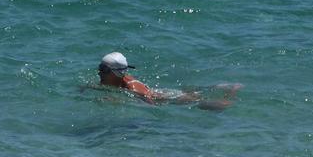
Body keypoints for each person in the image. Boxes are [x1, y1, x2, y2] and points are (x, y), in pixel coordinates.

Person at [95, 51, 242, 110]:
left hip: (167, 98)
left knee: (207, 105)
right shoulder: (113, 80)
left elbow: (151, 104)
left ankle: (232, 93)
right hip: (164, 93)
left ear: (115, 73)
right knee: (197, 95)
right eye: (101, 67)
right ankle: (219, 86)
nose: (100, 72)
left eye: (104, 69)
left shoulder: (134, 88)